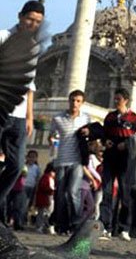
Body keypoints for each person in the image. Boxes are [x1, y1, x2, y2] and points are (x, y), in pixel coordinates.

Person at [0, 0, 44, 205]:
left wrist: (29, 116)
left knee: (17, 166)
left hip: (18, 116)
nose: (33, 24)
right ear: (20, 16)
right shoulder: (3, 37)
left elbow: (29, 83)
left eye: (38, 22)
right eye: (30, 19)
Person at [99, 88, 136, 241]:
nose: (116, 101)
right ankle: (105, 226)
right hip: (110, 156)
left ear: (125, 100)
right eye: (115, 99)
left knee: (125, 194)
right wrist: (105, 141)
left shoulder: (135, 119)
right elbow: (104, 134)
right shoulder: (110, 117)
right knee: (106, 191)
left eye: (118, 99)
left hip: (126, 158)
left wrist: (127, 144)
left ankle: (124, 227)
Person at [50, 90, 91, 233]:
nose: (75, 103)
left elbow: (90, 138)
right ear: (69, 100)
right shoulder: (57, 118)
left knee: (73, 192)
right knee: (60, 194)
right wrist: (52, 140)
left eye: (78, 101)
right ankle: (61, 225)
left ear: (82, 103)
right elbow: (52, 136)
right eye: (73, 100)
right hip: (61, 161)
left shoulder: (86, 119)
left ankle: (76, 223)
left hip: (77, 161)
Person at [34, 162, 56, 235]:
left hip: (48, 199)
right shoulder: (46, 177)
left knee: (47, 214)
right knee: (42, 214)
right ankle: (39, 227)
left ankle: (46, 227)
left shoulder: (50, 178)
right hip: (44, 199)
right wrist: (52, 190)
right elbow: (44, 187)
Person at [23, 149, 40, 223]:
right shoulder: (24, 166)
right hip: (23, 186)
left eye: (33, 157)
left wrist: (37, 187)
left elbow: (37, 178)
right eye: (30, 157)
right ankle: (22, 218)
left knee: (29, 204)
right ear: (27, 157)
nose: (31, 159)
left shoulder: (36, 168)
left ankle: (25, 218)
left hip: (32, 187)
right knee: (23, 203)